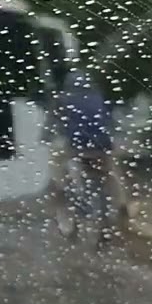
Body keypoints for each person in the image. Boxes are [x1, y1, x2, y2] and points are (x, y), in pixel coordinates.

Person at [50, 69, 123, 243]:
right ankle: (120, 206)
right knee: (109, 175)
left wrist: (48, 136)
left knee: (63, 173)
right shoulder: (98, 97)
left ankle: (72, 218)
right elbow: (109, 121)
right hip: (102, 147)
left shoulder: (63, 99)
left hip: (78, 148)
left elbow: (56, 124)